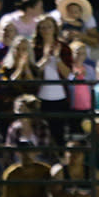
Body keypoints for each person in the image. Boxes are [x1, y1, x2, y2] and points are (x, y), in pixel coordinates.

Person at [33, 15, 73, 144]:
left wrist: (57, 59)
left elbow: (68, 75)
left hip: (60, 97)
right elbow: (33, 72)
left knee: (59, 134)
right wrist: (44, 59)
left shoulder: (64, 48)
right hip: (39, 97)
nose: (46, 30)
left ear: (55, 29)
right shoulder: (33, 47)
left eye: (49, 27)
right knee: (41, 133)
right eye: (42, 27)